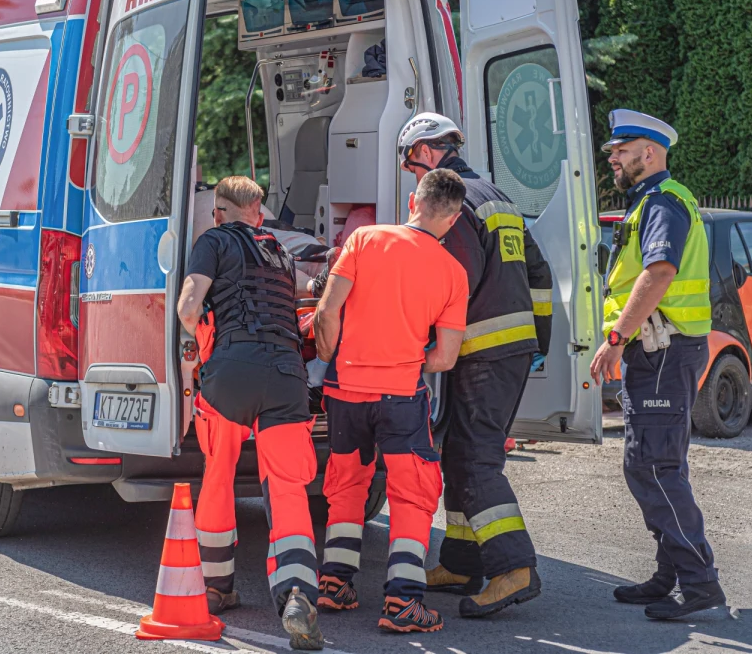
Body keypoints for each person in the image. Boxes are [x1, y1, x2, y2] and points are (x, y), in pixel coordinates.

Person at [395, 112, 551, 618]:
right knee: (462, 451)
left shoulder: (455, 202)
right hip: (507, 349)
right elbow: (539, 269)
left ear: (425, 152)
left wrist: (412, 338)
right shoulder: (498, 198)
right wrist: (538, 335)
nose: (415, 182)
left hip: (482, 351)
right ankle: (462, 560)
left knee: (476, 458)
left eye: (411, 167)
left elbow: (450, 279)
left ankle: (513, 566)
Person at [310, 168, 469, 633]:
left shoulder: (365, 240)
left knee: (346, 485)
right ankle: (403, 602)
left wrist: (331, 357)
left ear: (412, 202)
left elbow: (327, 310)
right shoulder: (453, 273)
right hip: (400, 396)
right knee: (412, 493)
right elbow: (444, 357)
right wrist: (405, 360)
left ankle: (335, 583)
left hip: (344, 391)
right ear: (454, 219)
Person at [175, 175, 322, 650]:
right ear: (259, 214)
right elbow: (304, 293)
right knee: (287, 487)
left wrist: (197, 337)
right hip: (286, 377)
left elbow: (188, 306)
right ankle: (298, 592)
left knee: (218, 474)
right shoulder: (279, 251)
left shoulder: (212, 241)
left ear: (219, 212)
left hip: (231, 375)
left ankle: (217, 587)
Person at [589, 109, 724, 620]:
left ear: (650, 152)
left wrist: (617, 338)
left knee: (654, 465)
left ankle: (701, 586)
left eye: (621, 152)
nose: (614, 160)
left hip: (662, 350)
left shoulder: (663, 201)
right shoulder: (649, 202)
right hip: (661, 352)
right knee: (656, 462)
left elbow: (660, 271)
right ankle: (671, 575)